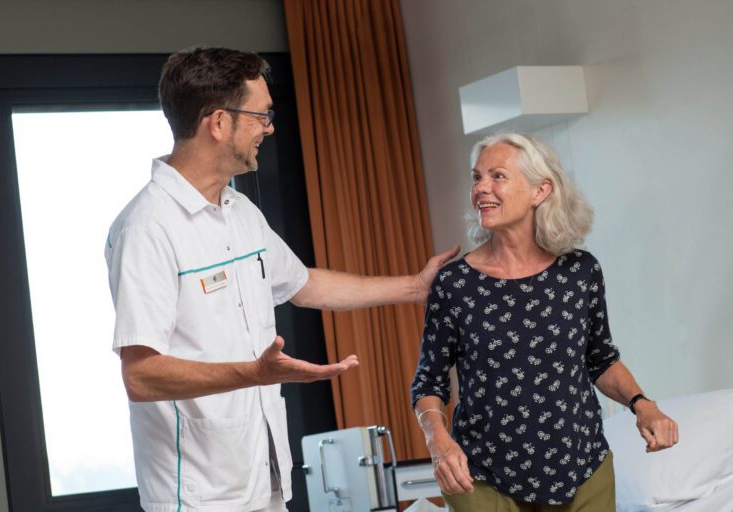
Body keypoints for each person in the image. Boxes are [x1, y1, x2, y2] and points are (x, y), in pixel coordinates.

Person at [105, 47, 458, 512]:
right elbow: (142, 375)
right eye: (261, 116)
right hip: (197, 495)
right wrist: (255, 373)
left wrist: (414, 287)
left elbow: (303, 284)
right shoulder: (147, 227)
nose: (269, 128)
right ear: (218, 123)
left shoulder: (239, 212)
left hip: (264, 479)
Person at [410, 133, 678, 511]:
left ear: (540, 191)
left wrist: (642, 404)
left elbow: (600, 359)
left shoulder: (580, 272)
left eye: (497, 176)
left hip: (582, 468)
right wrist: (437, 440)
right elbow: (429, 379)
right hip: (482, 476)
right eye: (477, 177)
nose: (481, 188)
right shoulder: (455, 284)